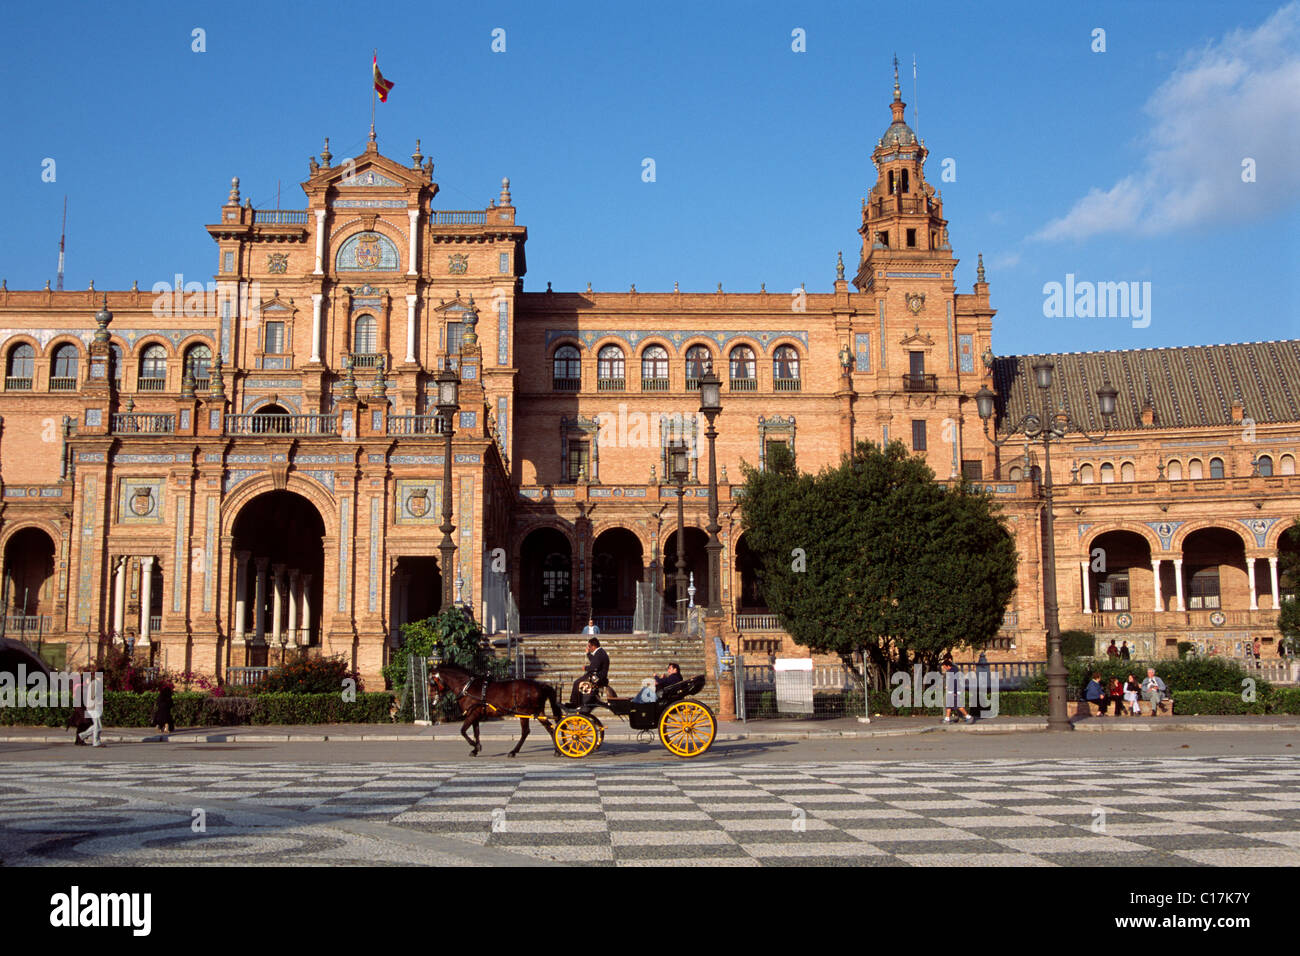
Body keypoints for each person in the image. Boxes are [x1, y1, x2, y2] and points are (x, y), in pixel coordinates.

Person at [567, 637, 610, 714]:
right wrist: (588, 654)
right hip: (598, 676)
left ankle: (575, 703)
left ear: (594, 646)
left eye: (589, 646)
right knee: (579, 681)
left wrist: (585, 668)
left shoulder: (599, 653)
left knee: (577, 683)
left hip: (597, 678)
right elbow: (595, 661)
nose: (588, 648)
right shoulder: (600, 652)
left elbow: (594, 667)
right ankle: (578, 702)